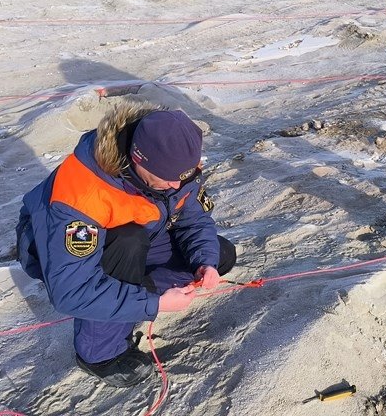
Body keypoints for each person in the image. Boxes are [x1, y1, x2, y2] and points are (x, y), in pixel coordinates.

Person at [16, 105, 236, 387]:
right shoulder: (81, 194)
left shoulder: (177, 170)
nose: (175, 184)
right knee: (128, 241)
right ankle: (98, 354)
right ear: (137, 160)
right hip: (61, 251)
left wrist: (204, 261)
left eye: (184, 177)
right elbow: (70, 292)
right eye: (168, 178)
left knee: (220, 255)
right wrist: (155, 304)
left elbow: (194, 219)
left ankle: (126, 294)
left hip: (146, 234)